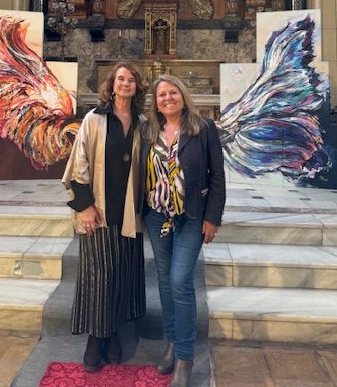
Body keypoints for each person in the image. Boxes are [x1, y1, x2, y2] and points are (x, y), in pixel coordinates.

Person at [62, 62, 148, 371]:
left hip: (128, 213)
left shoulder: (141, 122)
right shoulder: (94, 119)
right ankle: (96, 339)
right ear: (111, 85)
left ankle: (112, 334)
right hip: (97, 211)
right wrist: (85, 206)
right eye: (120, 79)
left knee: (121, 277)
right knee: (99, 278)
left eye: (131, 80)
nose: (125, 83)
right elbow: (79, 163)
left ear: (137, 87)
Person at [141, 75, 226, 387]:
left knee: (179, 280)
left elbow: (217, 176)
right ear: (156, 102)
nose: (167, 98)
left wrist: (212, 218)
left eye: (172, 92)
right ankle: (173, 344)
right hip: (156, 216)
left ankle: (185, 357)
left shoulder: (203, 128)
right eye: (161, 94)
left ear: (182, 95)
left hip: (190, 217)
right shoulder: (148, 130)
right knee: (165, 282)